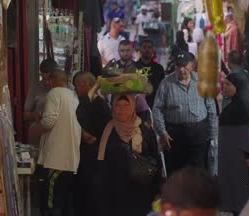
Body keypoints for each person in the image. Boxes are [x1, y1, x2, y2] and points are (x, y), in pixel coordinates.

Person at [152, 51, 217, 175]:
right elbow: (157, 109)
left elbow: (211, 109)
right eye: (178, 66)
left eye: (184, 65)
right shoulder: (166, 84)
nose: (182, 69)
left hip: (199, 135)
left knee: (199, 174)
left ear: (191, 65)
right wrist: (162, 132)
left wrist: (213, 136)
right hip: (174, 137)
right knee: (176, 175)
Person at [97, 94, 160, 216]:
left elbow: (155, 159)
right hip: (114, 190)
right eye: (118, 106)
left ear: (133, 107)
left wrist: (157, 190)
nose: (121, 109)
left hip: (140, 189)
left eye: (126, 105)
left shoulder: (144, 129)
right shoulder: (107, 129)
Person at [37, 69, 81, 216]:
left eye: (48, 80)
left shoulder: (54, 93)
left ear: (52, 80)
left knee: (52, 203)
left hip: (57, 159)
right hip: (71, 159)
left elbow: (48, 122)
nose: (47, 83)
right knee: (65, 202)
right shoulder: (73, 95)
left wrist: (39, 122)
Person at [218, 73, 249, 216]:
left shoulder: (245, 106)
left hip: (241, 158)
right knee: (233, 195)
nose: (225, 87)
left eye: (228, 84)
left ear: (238, 86)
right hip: (230, 156)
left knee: (240, 196)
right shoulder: (235, 104)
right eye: (224, 84)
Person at [73, 72, 111, 216]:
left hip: (93, 155)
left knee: (89, 193)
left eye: (76, 85)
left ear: (85, 85)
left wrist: (90, 135)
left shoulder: (98, 104)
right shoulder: (89, 102)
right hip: (87, 152)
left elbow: (104, 128)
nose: (75, 89)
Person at [23, 59, 57, 146]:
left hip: (57, 134)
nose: (46, 83)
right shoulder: (35, 87)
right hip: (39, 133)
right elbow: (25, 115)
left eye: (49, 79)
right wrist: (34, 115)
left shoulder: (68, 89)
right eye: (43, 78)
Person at [135, 39, 166, 108]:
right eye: (144, 47)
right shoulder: (134, 67)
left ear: (153, 49)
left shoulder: (159, 68)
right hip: (136, 106)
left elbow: (163, 88)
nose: (147, 50)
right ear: (140, 49)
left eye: (149, 47)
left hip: (154, 105)